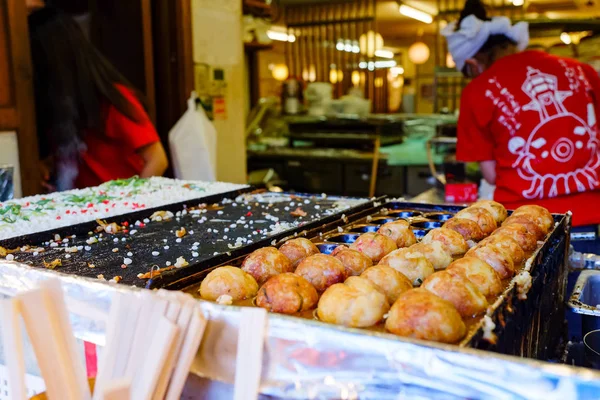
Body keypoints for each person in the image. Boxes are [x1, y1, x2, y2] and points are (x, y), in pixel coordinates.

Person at [444, 0, 600, 235]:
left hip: (524, 224)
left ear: (472, 64)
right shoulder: (583, 72)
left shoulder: (477, 90)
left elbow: (490, 174)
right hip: (592, 217)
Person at [28, 8, 168, 191]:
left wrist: (128, 204)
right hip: (88, 208)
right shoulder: (60, 109)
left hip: (118, 208)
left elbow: (157, 159)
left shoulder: (109, 99)